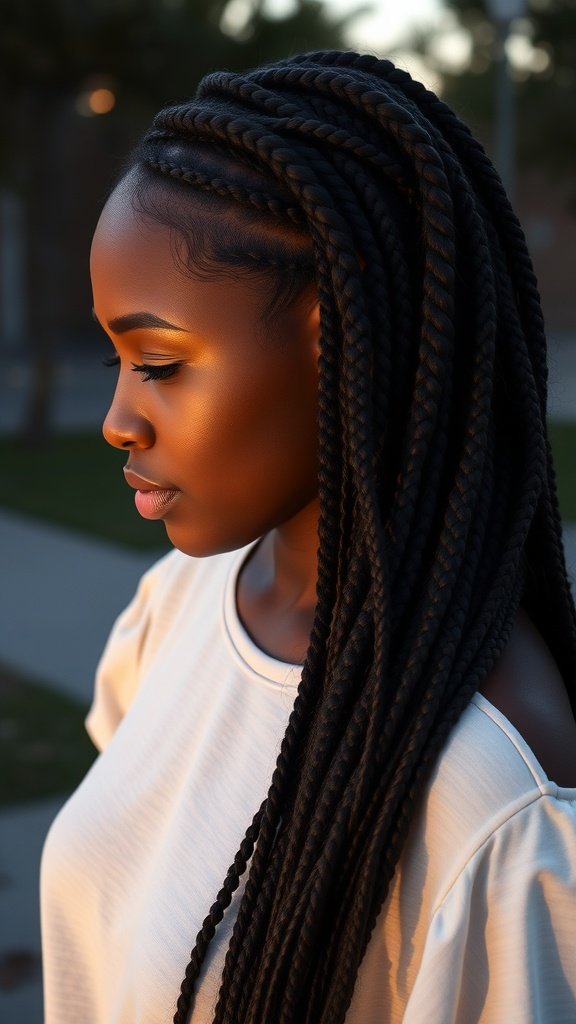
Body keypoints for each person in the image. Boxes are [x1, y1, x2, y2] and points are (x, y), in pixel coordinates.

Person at [40, 50, 576, 1024]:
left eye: (158, 362)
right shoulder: (179, 606)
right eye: (115, 355)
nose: (119, 417)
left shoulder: (489, 793)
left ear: (341, 339)